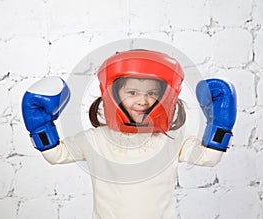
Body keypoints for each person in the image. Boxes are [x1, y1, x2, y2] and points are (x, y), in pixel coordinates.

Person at [22, 50, 237, 219]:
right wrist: (41, 126)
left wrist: (219, 124)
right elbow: (56, 155)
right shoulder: (95, 139)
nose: (143, 100)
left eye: (152, 93)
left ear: (166, 96)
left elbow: (208, 157)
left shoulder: (170, 140)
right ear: (114, 93)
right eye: (132, 92)